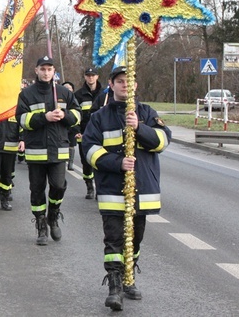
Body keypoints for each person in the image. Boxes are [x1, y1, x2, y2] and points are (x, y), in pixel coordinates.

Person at [81, 65, 171, 311]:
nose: (125, 85)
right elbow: (89, 149)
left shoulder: (147, 113)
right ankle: (114, 286)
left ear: (135, 85)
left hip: (141, 191)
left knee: (135, 239)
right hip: (112, 189)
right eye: (119, 81)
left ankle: (129, 277)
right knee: (114, 240)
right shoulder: (100, 117)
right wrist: (117, 163)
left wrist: (139, 128)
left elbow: (163, 141)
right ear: (111, 85)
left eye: (128, 81)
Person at [16, 56, 80, 246]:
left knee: (59, 186)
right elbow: (22, 119)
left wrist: (65, 115)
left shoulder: (63, 93)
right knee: (36, 190)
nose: (46, 72)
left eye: (49, 69)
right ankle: (41, 224)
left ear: (54, 72)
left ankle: (53, 216)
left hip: (59, 149)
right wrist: (44, 117)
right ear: (36, 70)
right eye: (42, 69)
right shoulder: (26, 94)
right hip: (36, 150)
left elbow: (77, 116)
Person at [73, 67, 103, 199]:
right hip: (84, 135)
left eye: (93, 75)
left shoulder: (105, 94)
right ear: (85, 77)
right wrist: (77, 132)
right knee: (86, 163)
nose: (90, 78)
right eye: (88, 75)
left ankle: (100, 189)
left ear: (97, 77)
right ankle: (89, 186)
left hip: (102, 136)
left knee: (101, 162)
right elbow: (74, 115)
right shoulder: (78, 95)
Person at [62, 81, 78, 171]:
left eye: (69, 89)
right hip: (62, 126)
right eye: (65, 88)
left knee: (71, 145)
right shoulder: (59, 99)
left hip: (73, 126)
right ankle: (62, 162)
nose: (67, 90)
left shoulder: (75, 99)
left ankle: (70, 163)